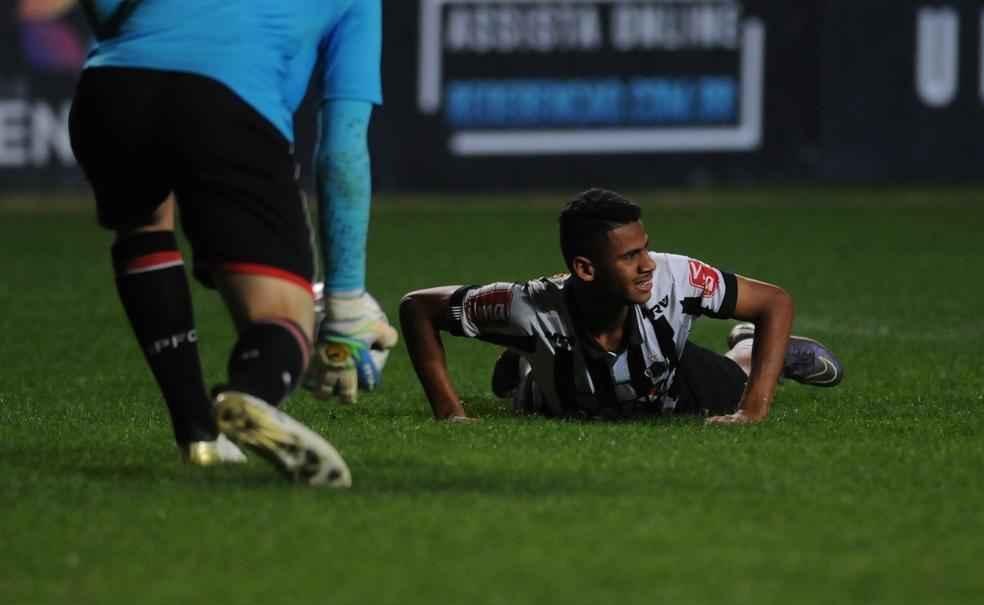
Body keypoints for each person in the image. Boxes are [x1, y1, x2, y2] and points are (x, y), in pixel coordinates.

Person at [69, 0, 396, 486]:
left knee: (143, 226)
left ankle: (199, 435)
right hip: (226, 101)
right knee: (282, 318)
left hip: (108, 92)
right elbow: (342, 151)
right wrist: (346, 302)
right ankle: (251, 393)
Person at [399, 188, 842, 423]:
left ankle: (747, 345)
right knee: (536, 384)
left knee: (738, 378)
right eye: (631, 257)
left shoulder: (677, 277)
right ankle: (519, 362)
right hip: (559, 388)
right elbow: (418, 307)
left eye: (645, 249)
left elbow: (775, 302)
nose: (649, 264)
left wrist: (753, 410)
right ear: (586, 269)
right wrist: (449, 414)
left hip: (670, 382)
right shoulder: (529, 306)